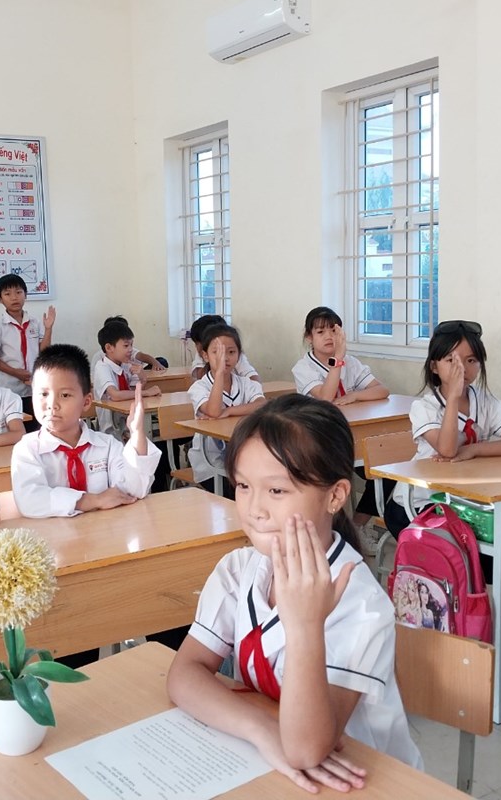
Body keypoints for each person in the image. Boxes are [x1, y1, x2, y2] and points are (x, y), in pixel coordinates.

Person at [167, 394, 423, 793]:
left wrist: (304, 626)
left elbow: (306, 750)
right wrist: (261, 730)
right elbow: (184, 675)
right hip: (271, 768)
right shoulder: (239, 569)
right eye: (244, 486)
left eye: (276, 491)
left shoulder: (360, 604)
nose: (255, 509)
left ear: (335, 496)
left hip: (367, 782)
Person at [387, 321, 501, 545]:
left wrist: (474, 450)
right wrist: (453, 396)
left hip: (462, 499)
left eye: (471, 360)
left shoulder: (486, 402)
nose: (461, 368)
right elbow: (447, 449)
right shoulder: (425, 407)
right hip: (417, 504)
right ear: (434, 367)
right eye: (451, 360)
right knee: (470, 543)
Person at [10, 344, 160, 518]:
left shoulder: (107, 446)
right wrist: (94, 500)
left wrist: (137, 434)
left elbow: (133, 492)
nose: (52, 405)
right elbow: (30, 500)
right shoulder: (27, 450)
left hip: (106, 532)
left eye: (65, 395)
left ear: (86, 402)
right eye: (43, 394)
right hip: (54, 535)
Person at [187, 324, 266, 493]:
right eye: (217, 352)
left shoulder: (246, 383)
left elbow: (262, 405)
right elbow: (214, 411)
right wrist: (219, 374)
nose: (225, 358)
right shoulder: (199, 387)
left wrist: (229, 411)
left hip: (244, 459)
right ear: (205, 356)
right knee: (240, 492)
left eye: (231, 352)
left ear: (239, 355)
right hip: (210, 463)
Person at [0, 273, 55, 431]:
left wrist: (48, 329)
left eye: (18, 292)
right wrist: (15, 372)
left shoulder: (35, 323)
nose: (14, 297)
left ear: (26, 294)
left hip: (33, 388)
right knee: (14, 430)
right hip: (9, 390)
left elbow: (43, 352)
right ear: (0, 299)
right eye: (7, 294)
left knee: (35, 429)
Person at [291, 306, 389, 404]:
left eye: (334, 331)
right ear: (309, 337)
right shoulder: (303, 368)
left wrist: (354, 395)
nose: (329, 337)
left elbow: (382, 390)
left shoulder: (350, 362)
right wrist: (337, 358)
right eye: (320, 332)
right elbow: (325, 398)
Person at [92, 317, 161, 440]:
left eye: (131, 345)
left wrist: (143, 379)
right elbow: (115, 395)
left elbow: (132, 392)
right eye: (126, 345)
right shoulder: (102, 366)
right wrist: (147, 392)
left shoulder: (126, 364)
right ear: (109, 348)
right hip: (111, 431)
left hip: (128, 423)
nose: (130, 350)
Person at [188, 314, 261, 382]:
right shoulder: (203, 354)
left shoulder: (234, 354)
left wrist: (253, 387)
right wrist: (218, 367)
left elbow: (252, 375)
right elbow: (200, 376)